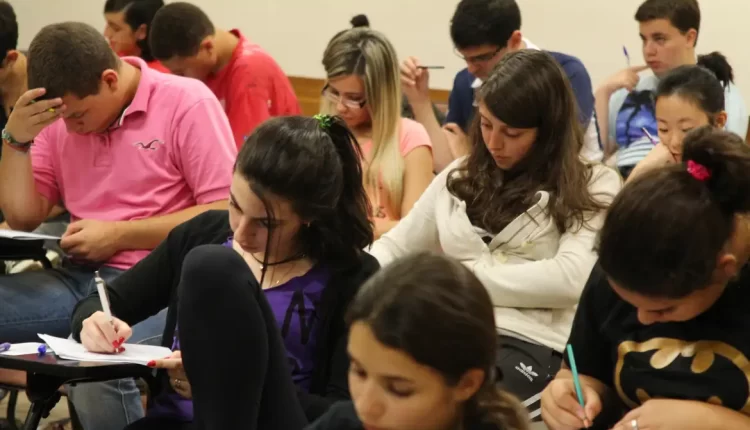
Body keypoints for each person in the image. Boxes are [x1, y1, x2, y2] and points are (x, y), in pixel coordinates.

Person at [71, 115, 379, 430]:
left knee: (212, 266)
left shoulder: (352, 277)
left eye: (266, 223)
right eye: (235, 206)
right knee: (210, 262)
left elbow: (346, 415)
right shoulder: (202, 233)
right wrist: (93, 323)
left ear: (310, 216)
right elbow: (102, 301)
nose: (241, 234)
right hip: (173, 422)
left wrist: (222, 385)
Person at [0, 21, 235, 427]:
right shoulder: (61, 116)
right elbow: (24, 216)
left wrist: (119, 235)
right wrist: (16, 141)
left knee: (98, 367)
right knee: (88, 351)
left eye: (78, 115)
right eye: (61, 117)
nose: (69, 127)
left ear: (110, 79)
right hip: (78, 278)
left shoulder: (186, 102)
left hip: (158, 287)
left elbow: (223, 213)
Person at [369, 50, 621, 420]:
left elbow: (571, 278)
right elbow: (395, 246)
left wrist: (457, 282)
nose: (494, 142)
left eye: (512, 133)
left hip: (535, 343)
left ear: (548, 131)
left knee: (458, 412)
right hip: (448, 330)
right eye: (486, 124)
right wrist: (354, 274)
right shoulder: (460, 174)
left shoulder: (594, 182)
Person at [541, 127, 750, 430]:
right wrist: (571, 393)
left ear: (723, 269)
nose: (642, 318)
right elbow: (586, 373)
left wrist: (711, 421)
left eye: (663, 309)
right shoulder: (619, 267)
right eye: (628, 302)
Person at [307, 252, 531, 430]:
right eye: (359, 372)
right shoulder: (343, 421)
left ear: (466, 384)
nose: (365, 407)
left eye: (399, 389)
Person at [401, 0, 602, 172]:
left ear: (514, 40)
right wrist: (420, 101)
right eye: (465, 58)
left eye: (481, 58)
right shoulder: (465, 82)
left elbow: (555, 156)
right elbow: (446, 167)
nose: (471, 68)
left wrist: (468, 155)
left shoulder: (566, 73)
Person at [596, 0, 747, 178]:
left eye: (659, 39)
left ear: (690, 37)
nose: (648, 50)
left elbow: (724, 163)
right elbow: (598, 156)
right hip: (624, 184)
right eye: (644, 39)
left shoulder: (718, 94)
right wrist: (604, 92)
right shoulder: (628, 90)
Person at [321, 28, 433, 238]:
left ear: (380, 94)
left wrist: (346, 231)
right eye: (334, 92)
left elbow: (416, 230)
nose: (340, 107)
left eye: (354, 98)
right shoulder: (321, 132)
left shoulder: (410, 137)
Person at [149, 2, 301, 149]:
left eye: (181, 72)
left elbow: (245, 155)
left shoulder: (249, 71)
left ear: (208, 47)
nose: (180, 80)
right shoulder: (206, 67)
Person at [0, 0, 67, 233]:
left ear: (10, 59)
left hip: (44, 221)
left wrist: (7, 228)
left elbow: (65, 187)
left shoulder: (55, 95)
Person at [627, 56, 729, 181]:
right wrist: (642, 170)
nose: (674, 142)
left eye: (686, 129)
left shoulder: (734, 173)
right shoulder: (660, 172)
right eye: (664, 129)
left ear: (719, 121)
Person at [103, 0, 170, 73]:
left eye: (116, 29)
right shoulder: (110, 56)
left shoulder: (160, 74)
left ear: (141, 31)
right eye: (108, 24)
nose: (106, 33)